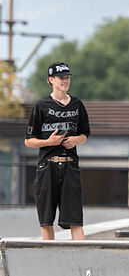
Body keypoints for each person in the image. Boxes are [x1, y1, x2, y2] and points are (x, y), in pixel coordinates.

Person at [25, 62, 90, 240]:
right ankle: (49, 261)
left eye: (67, 78)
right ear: (51, 80)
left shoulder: (77, 104)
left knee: (76, 220)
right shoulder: (41, 105)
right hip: (47, 167)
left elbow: (85, 134)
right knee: (46, 220)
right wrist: (49, 141)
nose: (65, 81)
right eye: (61, 78)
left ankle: (81, 261)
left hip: (70, 166)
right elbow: (28, 141)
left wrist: (76, 140)